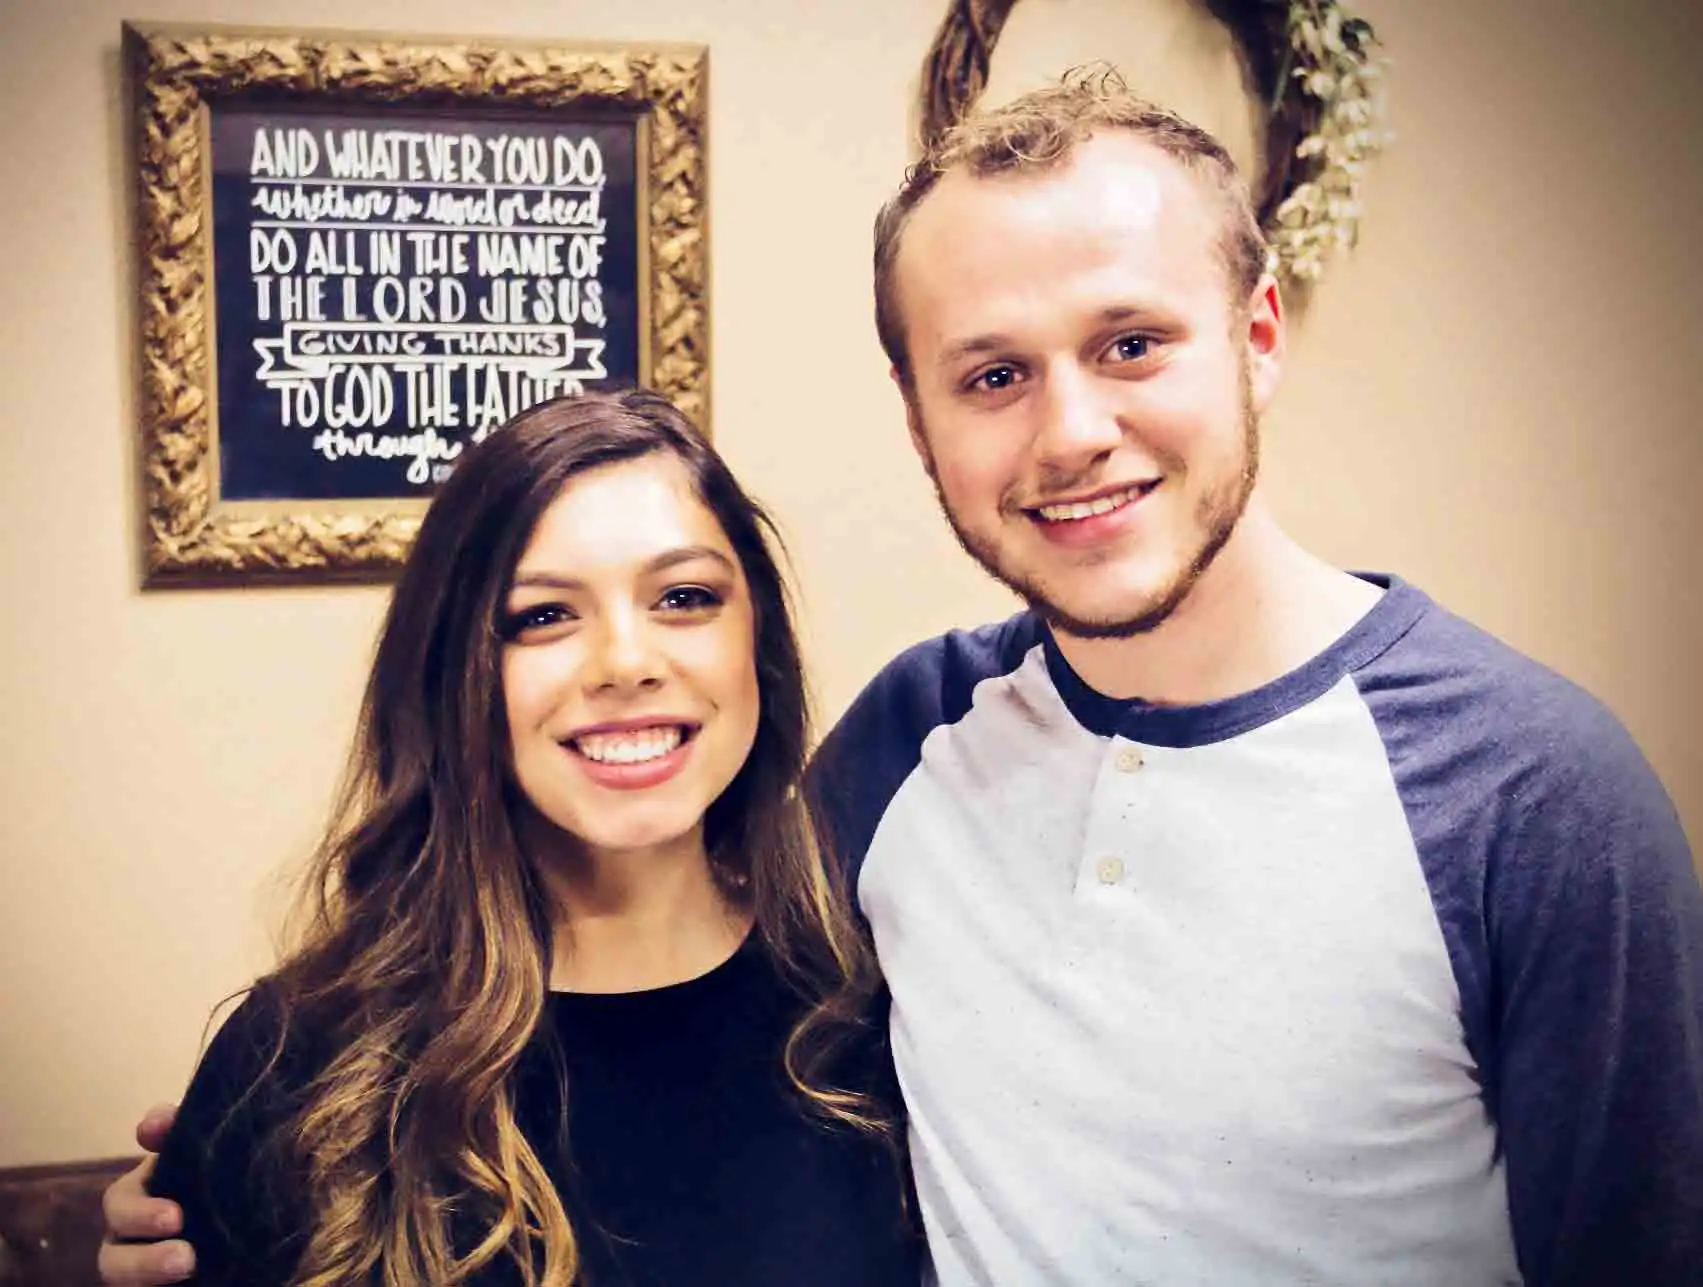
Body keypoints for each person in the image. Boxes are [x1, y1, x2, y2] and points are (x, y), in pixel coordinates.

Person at [101, 69, 1702, 1287]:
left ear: (1257, 332)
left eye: (1130, 342)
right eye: (991, 373)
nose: (1070, 430)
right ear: (918, 415)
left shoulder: (1526, 796)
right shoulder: (912, 744)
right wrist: (250, 1159)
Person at [104, 389, 922, 1287]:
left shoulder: (883, 1013)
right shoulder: (296, 1064)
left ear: (756, 640)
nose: (626, 662)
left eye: (684, 597)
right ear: (456, 674)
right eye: (543, 615)